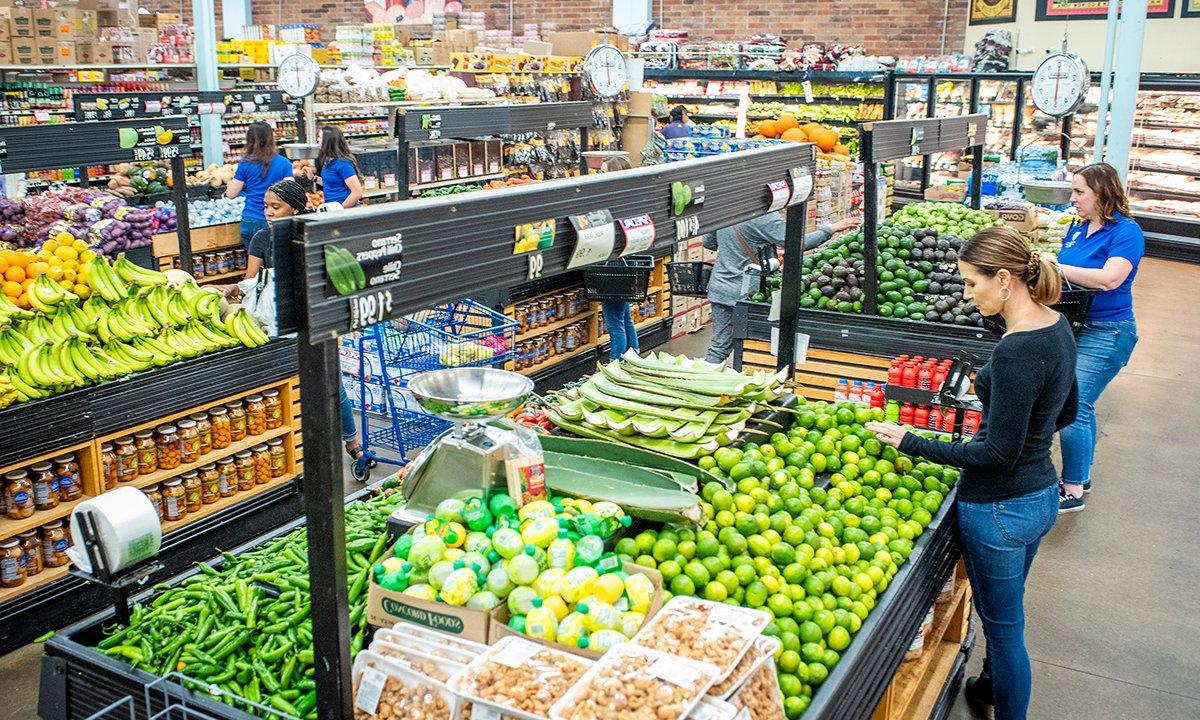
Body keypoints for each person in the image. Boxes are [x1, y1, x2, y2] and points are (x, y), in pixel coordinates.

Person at [865, 226, 1077, 720]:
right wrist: (1024, 435)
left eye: (971, 283)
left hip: (1000, 507)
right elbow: (1065, 413)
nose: (966, 294)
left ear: (1004, 280)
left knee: (1006, 630)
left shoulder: (1017, 350)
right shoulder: (1056, 326)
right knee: (1006, 614)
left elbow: (999, 456)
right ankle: (988, 686)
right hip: (1040, 496)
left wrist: (913, 442)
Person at [233, 179, 376, 478]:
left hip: (313, 321)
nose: (269, 213)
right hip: (274, 324)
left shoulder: (313, 236)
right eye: (266, 207)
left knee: (332, 384)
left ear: (295, 209)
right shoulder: (261, 238)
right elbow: (251, 282)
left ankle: (353, 444)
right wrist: (231, 291)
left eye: (277, 207)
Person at [1052, 162, 1144, 513]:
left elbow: (1109, 279)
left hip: (1108, 332)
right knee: (1078, 402)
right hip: (1075, 326)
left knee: (1073, 405)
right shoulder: (1078, 229)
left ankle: (1072, 490)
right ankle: (1081, 476)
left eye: (1079, 192)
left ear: (1101, 193)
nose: (1072, 198)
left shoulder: (1126, 232)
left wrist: (1056, 267)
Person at [702, 212, 861, 364]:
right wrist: (831, 229)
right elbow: (797, 242)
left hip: (720, 286)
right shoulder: (762, 216)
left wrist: (735, 249)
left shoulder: (725, 209)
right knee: (757, 345)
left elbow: (709, 242)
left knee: (719, 346)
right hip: (750, 291)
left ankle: (707, 381)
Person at [595, 155, 643, 359]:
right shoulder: (630, 198)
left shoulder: (612, 202)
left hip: (615, 264)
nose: (599, 175)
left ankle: (616, 363)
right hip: (628, 261)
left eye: (603, 172)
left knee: (615, 322)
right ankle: (634, 355)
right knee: (624, 317)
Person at [226, 122, 294, 246]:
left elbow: (231, 194)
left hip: (250, 219)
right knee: (274, 261)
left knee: (255, 262)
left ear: (249, 140)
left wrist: (230, 184)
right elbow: (291, 193)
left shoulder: (245, 163)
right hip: (274, 219)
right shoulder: (284, 163)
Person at [304, 125, 364, 209]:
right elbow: (332, 183)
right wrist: (313, 178)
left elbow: (357, 192)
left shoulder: (343, 164)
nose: (317, 140)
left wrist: (341, 209)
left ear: (327, 141)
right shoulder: (329, 161)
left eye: (320, 137)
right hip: (332, 208)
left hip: (346, 211)